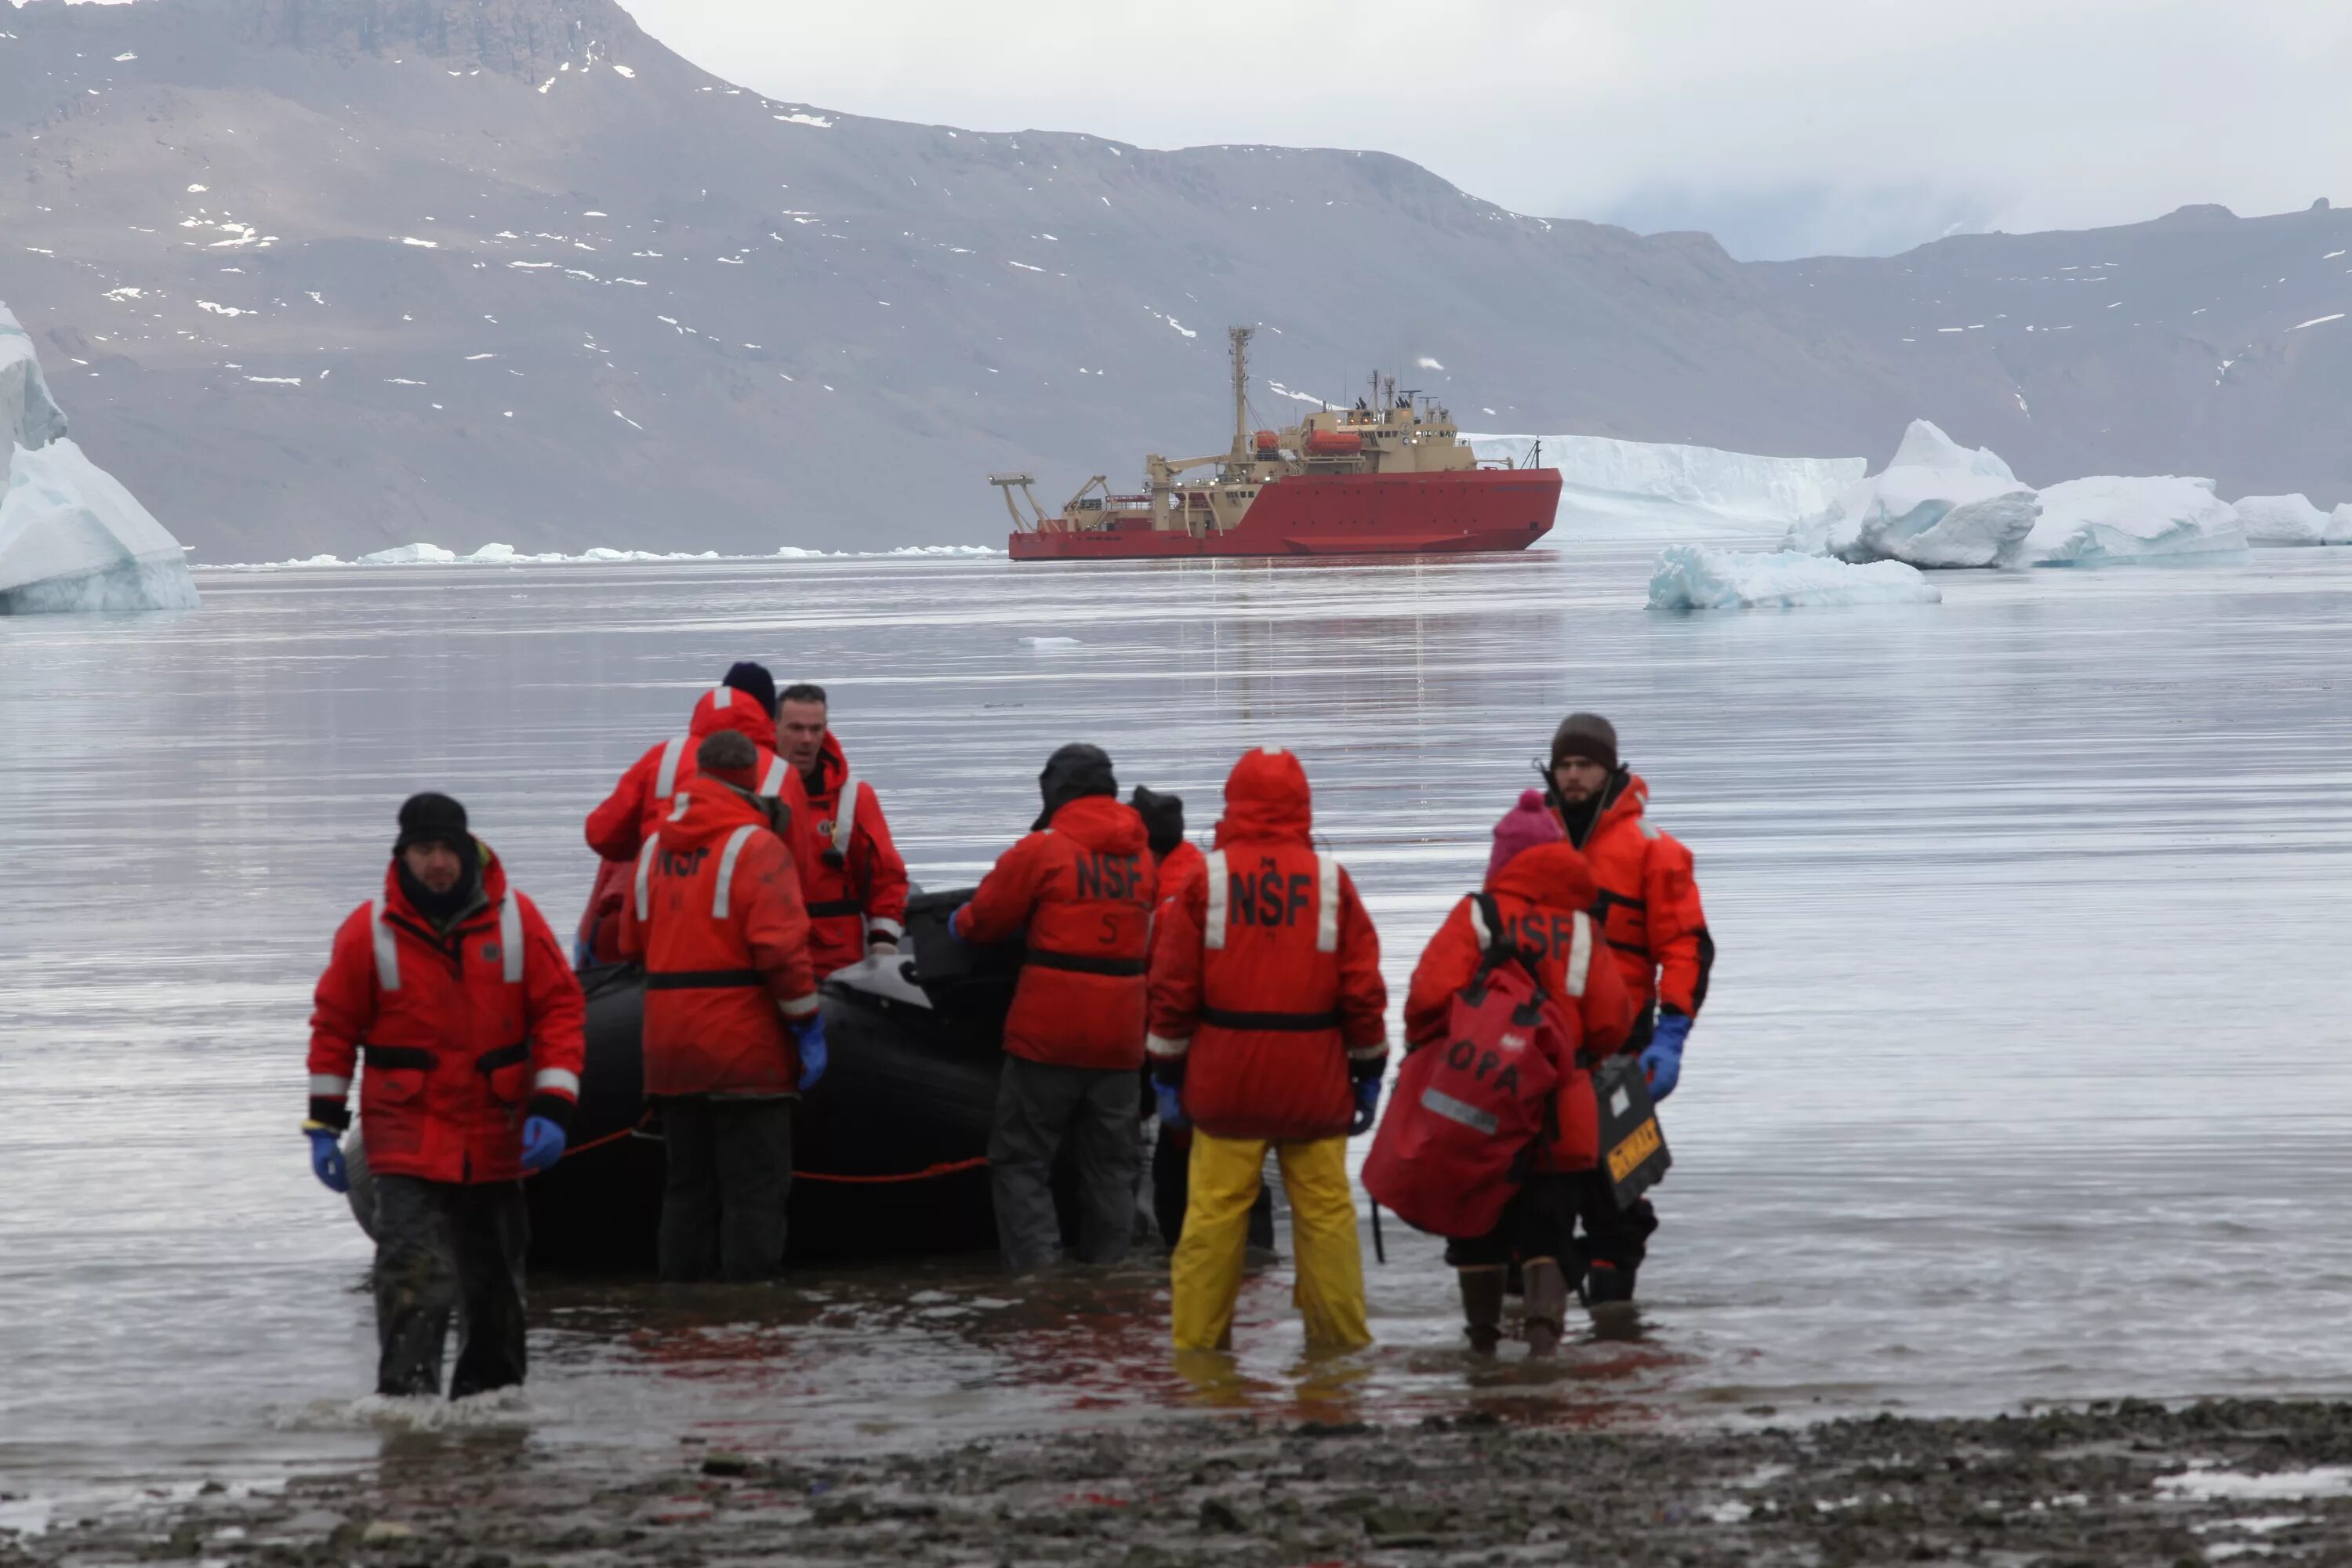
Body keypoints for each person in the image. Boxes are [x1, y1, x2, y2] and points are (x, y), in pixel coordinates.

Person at [305, 793, 586, 1398]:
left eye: (446, 850)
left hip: (495, 1133)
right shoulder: (368, 932)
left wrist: (554, 1105)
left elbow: (561, 1011)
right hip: (405, 1137)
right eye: (423, 850)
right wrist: (323, 1126)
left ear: (467, 850)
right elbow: (334, 1027)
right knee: (413, 1275)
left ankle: (494, 1410)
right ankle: (408, 1412)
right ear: (402, 856)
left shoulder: (517, 920)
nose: (437, 863)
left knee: (497, 1287)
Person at [1147, 747, 1388, 1353]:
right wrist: (1369, 1072)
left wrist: (1167, 1073)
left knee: (1212, 1218)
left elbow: (1173, 989)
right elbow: (1362, 992)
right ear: (1303, 806)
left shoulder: (1208, 879)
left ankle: (1200, 1355)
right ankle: (1337, 1351)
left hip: (1227, 1081)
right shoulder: (1333, 883)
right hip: (1314, 1079)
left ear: (1233, 803)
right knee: (1326, 1216)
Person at [1402, 791, 1635, 1356]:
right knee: (1547, 1233)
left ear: (1501, 861)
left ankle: (1482, 1346)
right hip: (1561, 1112)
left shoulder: (1476, 917)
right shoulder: (1582, 931)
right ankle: (1543, 1347)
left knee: (1475, 1229)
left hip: (1478, 1107)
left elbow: (1425, 1003)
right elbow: (1612, 1025)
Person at [618, 731, 822, 1283]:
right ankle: (748, 1316)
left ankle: (683, 1314)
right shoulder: (758, 848)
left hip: (668, 1048)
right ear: (752, 780)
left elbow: (630, 943)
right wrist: (806, 1024)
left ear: (698, 776)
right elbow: (781, 951)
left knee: (687, 1189)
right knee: (755, 1189)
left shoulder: (653, 850)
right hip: (743, 1049)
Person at [952, 744, 1156, 1271]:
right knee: (1112, 1165)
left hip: (1049, 1034)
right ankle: (1108, 1277)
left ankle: (1040, 1279)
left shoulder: (1042, 849)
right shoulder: (1142, 856)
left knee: (1021, 1159)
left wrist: (960, 925)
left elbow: (988, 919)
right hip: (1120, 1039)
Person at [1540, 713, 1714, 1305]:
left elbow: (1688, 946)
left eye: (1584, 765)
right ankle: (1540, 1331)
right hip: (1543, 1049)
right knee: (1537, 1196)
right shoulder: (1531, 842)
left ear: (1610, 770)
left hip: (1626, 1049)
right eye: (1564, 765)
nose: (1573, 777)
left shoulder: (1653, 851)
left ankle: (1615, 1329)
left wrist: (1674, 1034)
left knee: (1619, 1194)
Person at [575, 662, 801, 967]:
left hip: (652, 928)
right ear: (770, 716)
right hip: (735, 940)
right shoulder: (780, 773)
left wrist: (648, 842)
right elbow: (801, 874)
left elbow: (601, 833)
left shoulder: (663, 756)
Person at [772, 681, 909, 978]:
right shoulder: (749, 794)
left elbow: (886, 878)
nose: (807, 739)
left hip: (836, 966)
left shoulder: (855, 798)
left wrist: (883, 944)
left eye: (815, 729)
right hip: (768, 958)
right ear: (774, 728)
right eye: (796, 728)